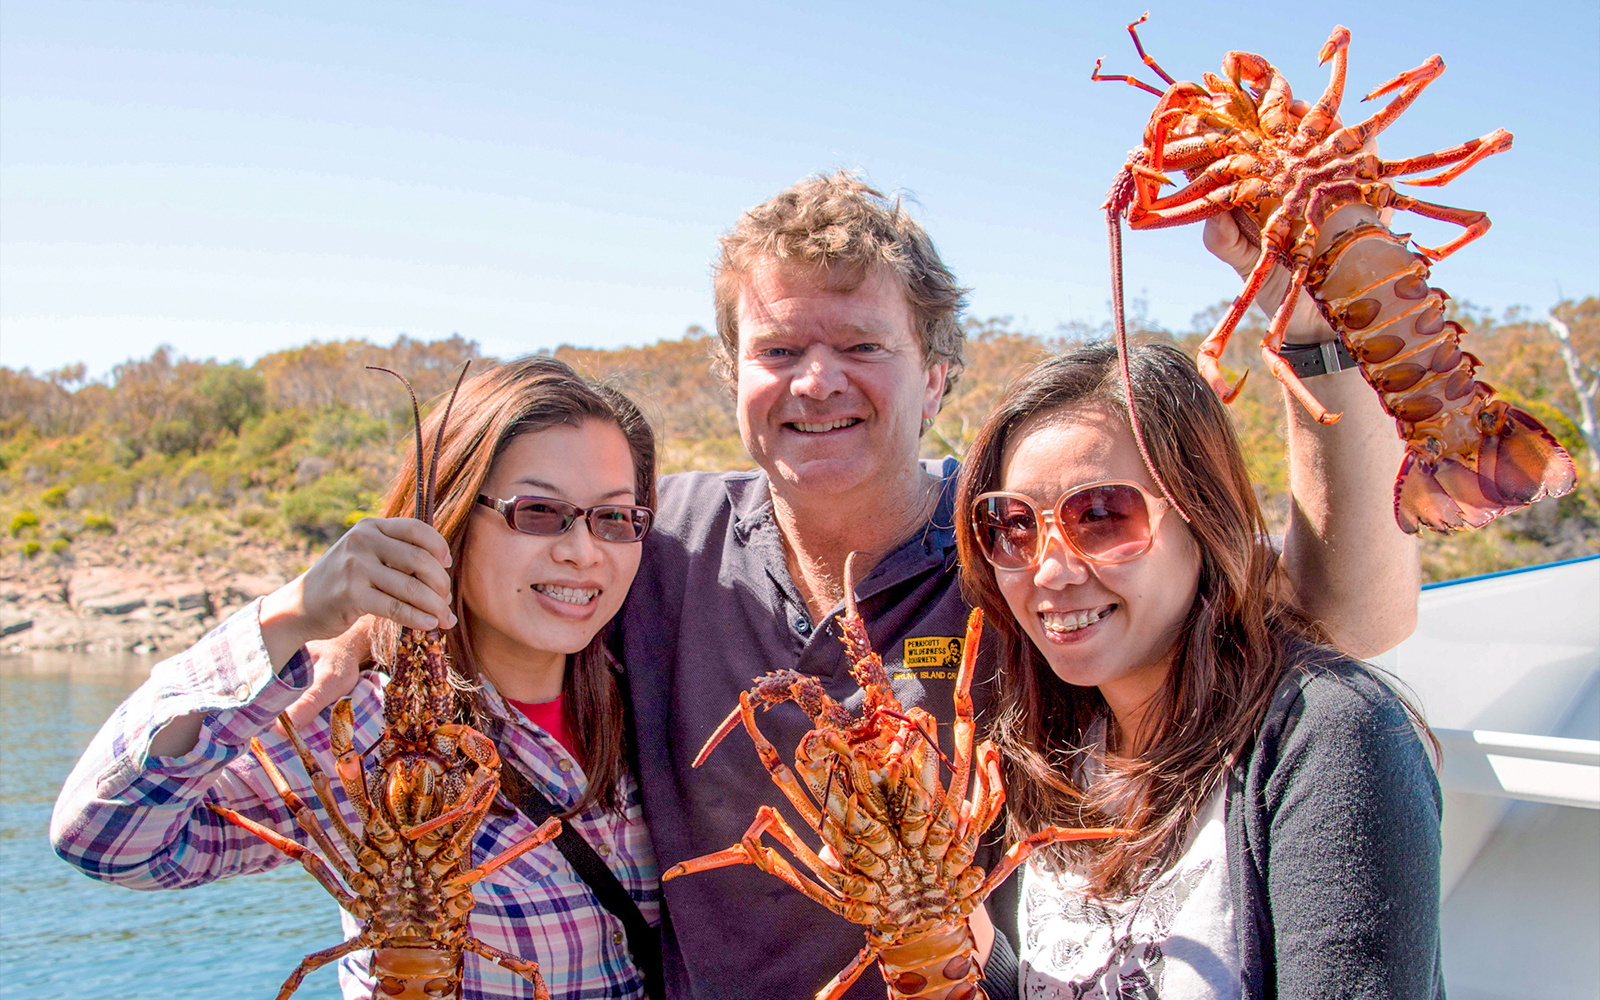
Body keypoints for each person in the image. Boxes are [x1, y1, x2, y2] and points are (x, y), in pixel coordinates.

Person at [296, 170, 1422, 1000]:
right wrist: (374, 622)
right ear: (731, 374)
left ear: (934, 374)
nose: (817, 381)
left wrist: (1320, 331)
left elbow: (1335, 625)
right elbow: (509, 568)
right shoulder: (648, 540)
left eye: (861, 345)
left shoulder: (1014, 552)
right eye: (780, 349)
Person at [51, 357, 662, 1000]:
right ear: (452, 520)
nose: (583, 550)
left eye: (615, 518)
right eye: (539, 511)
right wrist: (290, 615)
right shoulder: (353, 720)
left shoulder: (656, 686)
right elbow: (104, 841)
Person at [953, 342, 1441, 999]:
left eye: (1100, 516)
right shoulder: (1054, 753)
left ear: (1200, 516)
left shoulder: (1327, 737)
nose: (1050, 570)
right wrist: (963, 936)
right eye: (1011, 526)